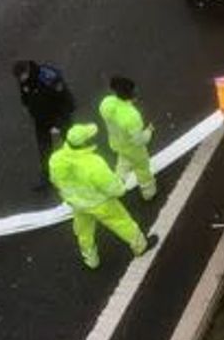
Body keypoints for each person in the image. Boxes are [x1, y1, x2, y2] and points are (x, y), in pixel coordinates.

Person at [48, 123, 157, 269]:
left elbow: (55, 181)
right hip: (101, 203)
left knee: (84, 232)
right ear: (85, 143)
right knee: (122, 222)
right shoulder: (93, 163)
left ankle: (90, 259)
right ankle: (140, 246)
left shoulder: (56, 159)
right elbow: (113, 188)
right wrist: (120, 189)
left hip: (77, 204)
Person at [13, 60, 75, 190]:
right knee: (44, 150)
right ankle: (47, 177)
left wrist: (57, 124)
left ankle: (79, 169)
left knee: (72, 143)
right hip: (41, 120)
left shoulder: (48, 77)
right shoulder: (24, 80)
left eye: (22, 77)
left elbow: (66, 101)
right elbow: (26, 97)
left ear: (28, 70)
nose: (20, 80)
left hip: (58, 117)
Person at [99, 76, 157, 201]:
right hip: (133, 149)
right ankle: (148, 192)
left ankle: (116, 185)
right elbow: (139, 140)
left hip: (116, 143)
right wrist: (149, 131)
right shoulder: (131, 116)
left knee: (123, 161)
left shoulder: (106, 103)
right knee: (142, 169)